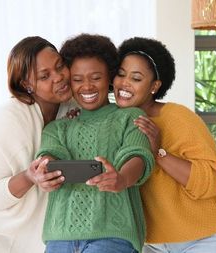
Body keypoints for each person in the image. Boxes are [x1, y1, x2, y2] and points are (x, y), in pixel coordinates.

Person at [113, 37, 216, 253]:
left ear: (154, 86)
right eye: (120, 74)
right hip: (155, 244)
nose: (124, 83)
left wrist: (158, 152)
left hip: (210, 236)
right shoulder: (115, 121)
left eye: (136, 78)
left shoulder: (178, 118)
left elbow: (211, 180)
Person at [0, 36, 78, 253]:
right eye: (45, 76)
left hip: (32, 234)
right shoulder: (7, 119)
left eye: (60, 66)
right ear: (27, 84)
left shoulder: (70, 108)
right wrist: (30, 177)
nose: (59, 77)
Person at [34, 34, 154, 253]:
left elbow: (138, 157)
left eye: (95, 78)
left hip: (112, 235)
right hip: (59, 237)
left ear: (109, 77)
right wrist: (44, 170)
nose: (87, 86)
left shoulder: (129, 117)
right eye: (78, 79)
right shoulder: (57, 127)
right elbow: (49, 156)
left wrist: (122, 178)